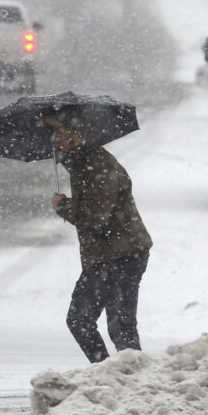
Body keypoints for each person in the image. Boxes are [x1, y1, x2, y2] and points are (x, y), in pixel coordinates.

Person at [42, 110, 153, 363]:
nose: (57, 139)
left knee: (108, 324)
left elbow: (95, 217)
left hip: (121, 254)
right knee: (104, 323)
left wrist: (62, 206)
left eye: (62, 132)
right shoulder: (82, 163)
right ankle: (115, 379)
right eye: (54, 133)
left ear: (79, 132)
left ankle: (119, 380)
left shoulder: (98, 164)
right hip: (109, 254)